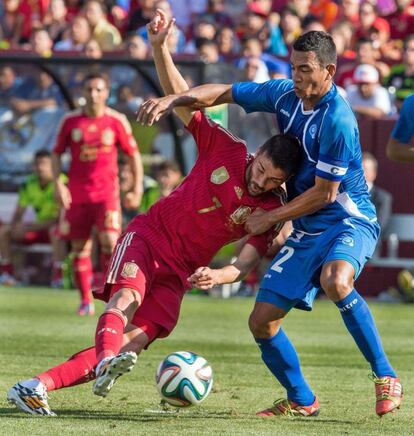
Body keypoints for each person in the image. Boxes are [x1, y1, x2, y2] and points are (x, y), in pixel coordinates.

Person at [6, 10, 302, 417]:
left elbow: (244, 263)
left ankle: (34, 386)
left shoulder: (271, 209)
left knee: (135, 341)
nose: (261, 182)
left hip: (181, 272)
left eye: (272, 181)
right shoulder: (228, 150)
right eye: (260, 171)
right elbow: (186, 97)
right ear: (257, 154)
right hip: (149, 236)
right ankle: (106, 360)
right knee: (126, 297)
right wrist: (161, 47)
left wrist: (218, 275)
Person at [136, 30, 402, 418]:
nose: (295, 75)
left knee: (336, 280)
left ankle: (385, 375)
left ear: (329, 71)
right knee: (261, 322)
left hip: (348, 219)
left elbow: (325, 194)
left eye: (305, 69)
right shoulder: (283, 94)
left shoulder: (338, 120)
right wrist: (174, 99)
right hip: (306, 224)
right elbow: (223, 92)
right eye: (293, 66)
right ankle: (301, 399)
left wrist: (271, 218)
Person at [52, 73, 143, 316]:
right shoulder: (70, 121)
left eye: (98, 90)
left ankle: (109, 296)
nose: (93, 94)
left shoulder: (116, 121)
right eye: (89, 89)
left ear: (106, 93)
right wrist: (58, 184)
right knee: (80, 247)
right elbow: (55, 153)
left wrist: (137, 187)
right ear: (83, 92)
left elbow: (133, 155)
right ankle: (85, 301)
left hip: (106, 195)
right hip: (77, 195)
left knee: (111, 243)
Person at [0, 150, 66, 286]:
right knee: (4, 231)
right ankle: (7, 274)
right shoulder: (29, 184)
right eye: (37, 164)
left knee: (56, 231)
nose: (40, 168)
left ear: (53, 165)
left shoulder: (62, 183)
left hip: (60, 231)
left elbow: (60, 218)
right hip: (36, 229)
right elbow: (18, 213)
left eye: (44, 164)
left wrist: (29, 227)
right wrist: (15, 226)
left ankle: (58, 277)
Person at [362, 152, 392, 231]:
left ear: (374, 173)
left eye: (365, 169)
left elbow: (379, 225)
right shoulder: (346, 194)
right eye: (358, 169)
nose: (361, 173)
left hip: (370, 240)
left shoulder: (383, 198)